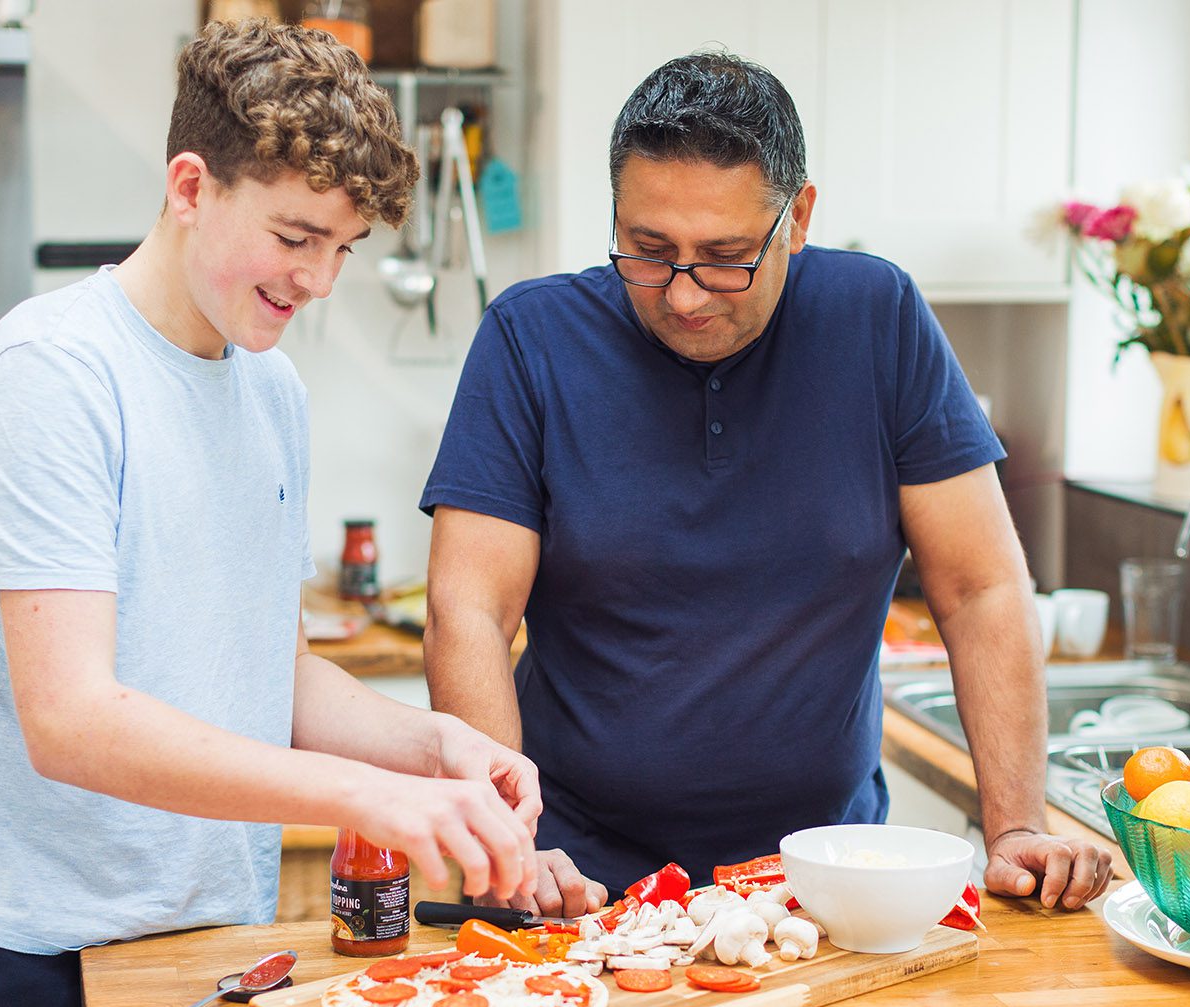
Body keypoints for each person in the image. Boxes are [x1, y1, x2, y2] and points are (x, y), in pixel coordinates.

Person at [0, 22, 539, 1007]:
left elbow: (265, 670)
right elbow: (70, 720)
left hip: (207, 937)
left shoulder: (268, 389)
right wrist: (361, 797)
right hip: (25, 947)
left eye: (343, 248)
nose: (321, 281)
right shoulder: (55, 373)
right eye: (295, 237)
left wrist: (434, 750)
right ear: (190, 187)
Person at [420, 51, 1111, 919]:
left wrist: (1015, 827)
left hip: (832, 882)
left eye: (725, 256)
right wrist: (517, 844)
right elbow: (468, 610)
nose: (683, 295)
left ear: (800, 217)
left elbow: (980, 588)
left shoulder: (879, 318)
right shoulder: (531, 338)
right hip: (576, 880)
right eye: (647, 249)